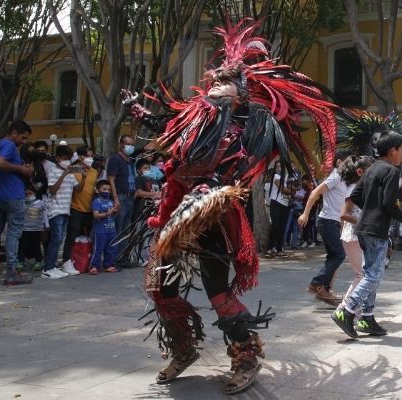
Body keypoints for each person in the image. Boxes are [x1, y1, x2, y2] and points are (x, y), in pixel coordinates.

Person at [121, 18, 337, 394]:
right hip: (175, 211)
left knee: (217, 290)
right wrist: (139, 111)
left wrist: (209, 192)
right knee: (161, 286)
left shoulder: (254, 125)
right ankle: (183, 347)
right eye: (214, 81)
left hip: (215, 218)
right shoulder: (196, 118)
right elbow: (166, 130)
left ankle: (246, 355)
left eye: (225, 82)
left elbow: (242, 173)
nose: (216, 86)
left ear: (241, 92)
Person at [332, 131, 402, 338]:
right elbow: (389, 203)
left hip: (363, 228)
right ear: (392, 151)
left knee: (370, 273)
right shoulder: (392, 171)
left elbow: (356, 195)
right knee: (374, 275)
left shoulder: (372, 168)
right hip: (376, 230)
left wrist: (371, 210)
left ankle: (367, 317)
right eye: (401, 150)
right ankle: (345, 312)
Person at [299, 149, 353, 305]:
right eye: (349, 161)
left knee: (334, 256)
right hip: (326, 221)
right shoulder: (335, 176)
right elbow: (315, 192)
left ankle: (325, 289)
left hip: (333, 222)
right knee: (338, 255)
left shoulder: (343, 179)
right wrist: (305, 213)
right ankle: (316, 284)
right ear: (339, 162)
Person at [0, 120, 33, 285]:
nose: (23, 141)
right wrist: (21, 169)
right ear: (14, 132)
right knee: (13, 234)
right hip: (13, 196)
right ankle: (12, 272)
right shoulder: (8, 145)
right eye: (22, 137)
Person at [335, 156, 374, 326]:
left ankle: (355, 312)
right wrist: (364, 223)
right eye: (371, 170)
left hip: (357, 235)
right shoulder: (354, 189)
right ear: (360, 172)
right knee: (363, 275)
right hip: (353, 236)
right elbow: (343, 215)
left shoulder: (362, 188)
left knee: (364, 275)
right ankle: (344, 310)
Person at [42, 145, 83, 279]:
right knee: (56, 239)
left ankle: (53, 266)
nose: (68, 162)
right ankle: (48, 268)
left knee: (59, 240)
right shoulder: (53, 171)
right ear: (58, 158)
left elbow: (78, 189)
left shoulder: (70, 172)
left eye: (69, 159)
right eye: (65, 159)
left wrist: (84, 176)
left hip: (65, 210)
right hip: (55, 210)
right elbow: (53, 190)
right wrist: (64, 175)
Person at [61, 146, 100, 273]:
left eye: (92, 156)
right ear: (81, 157)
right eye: (88, 156)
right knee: (71, 237)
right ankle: (67, 262)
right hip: (75, 209)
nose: (91, 158)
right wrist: (76, 162)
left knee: (89, 238)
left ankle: (85, 261)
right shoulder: (74, 169)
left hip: (90, 210)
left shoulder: (94, 171)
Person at [107, 134, 136, 235]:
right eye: (128, 144)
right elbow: (111, 180)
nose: (130, 147)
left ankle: (123, 251)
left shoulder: (129, 161)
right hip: (121, 198)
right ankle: (116, 251)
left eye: (132, 145)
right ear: (121, 145)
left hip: (130, 197)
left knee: (126, 230)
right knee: (118, 229)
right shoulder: (115, 159)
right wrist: (115, 199)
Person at [90, 180, 119, 274]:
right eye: (104, 189)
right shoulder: (96, 201)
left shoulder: (110, 201)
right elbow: (96, 215)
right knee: (98, 249)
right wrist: (108, 213)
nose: (107, 191)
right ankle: (94, 266)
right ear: (97, 190)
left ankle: (108, 265)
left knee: (111, 249)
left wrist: (115, 211)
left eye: (108, 190)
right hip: (100, 231)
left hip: (111, 230)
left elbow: (113, 216)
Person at [18, 187, 47, 271]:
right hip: (24, 229)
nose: (28, 195)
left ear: (35, 193)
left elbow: (45, 215)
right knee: (22, 246)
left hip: (37, 229)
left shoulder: (41, 203)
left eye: (30, 193)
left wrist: (46, 226)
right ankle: (20, 262)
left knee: (36, 246)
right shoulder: (22, 203)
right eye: (26, 194)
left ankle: (38, 261)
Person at [266, 164, 291, 256]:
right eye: (279, 166)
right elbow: (282, 189)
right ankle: (269, 247)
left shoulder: (288, 176)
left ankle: (279, 249)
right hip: (276, 202)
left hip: (285, 203)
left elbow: (296, 187)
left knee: (282, 227)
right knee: (275, 225)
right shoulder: (276, 175)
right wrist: (292, 191)